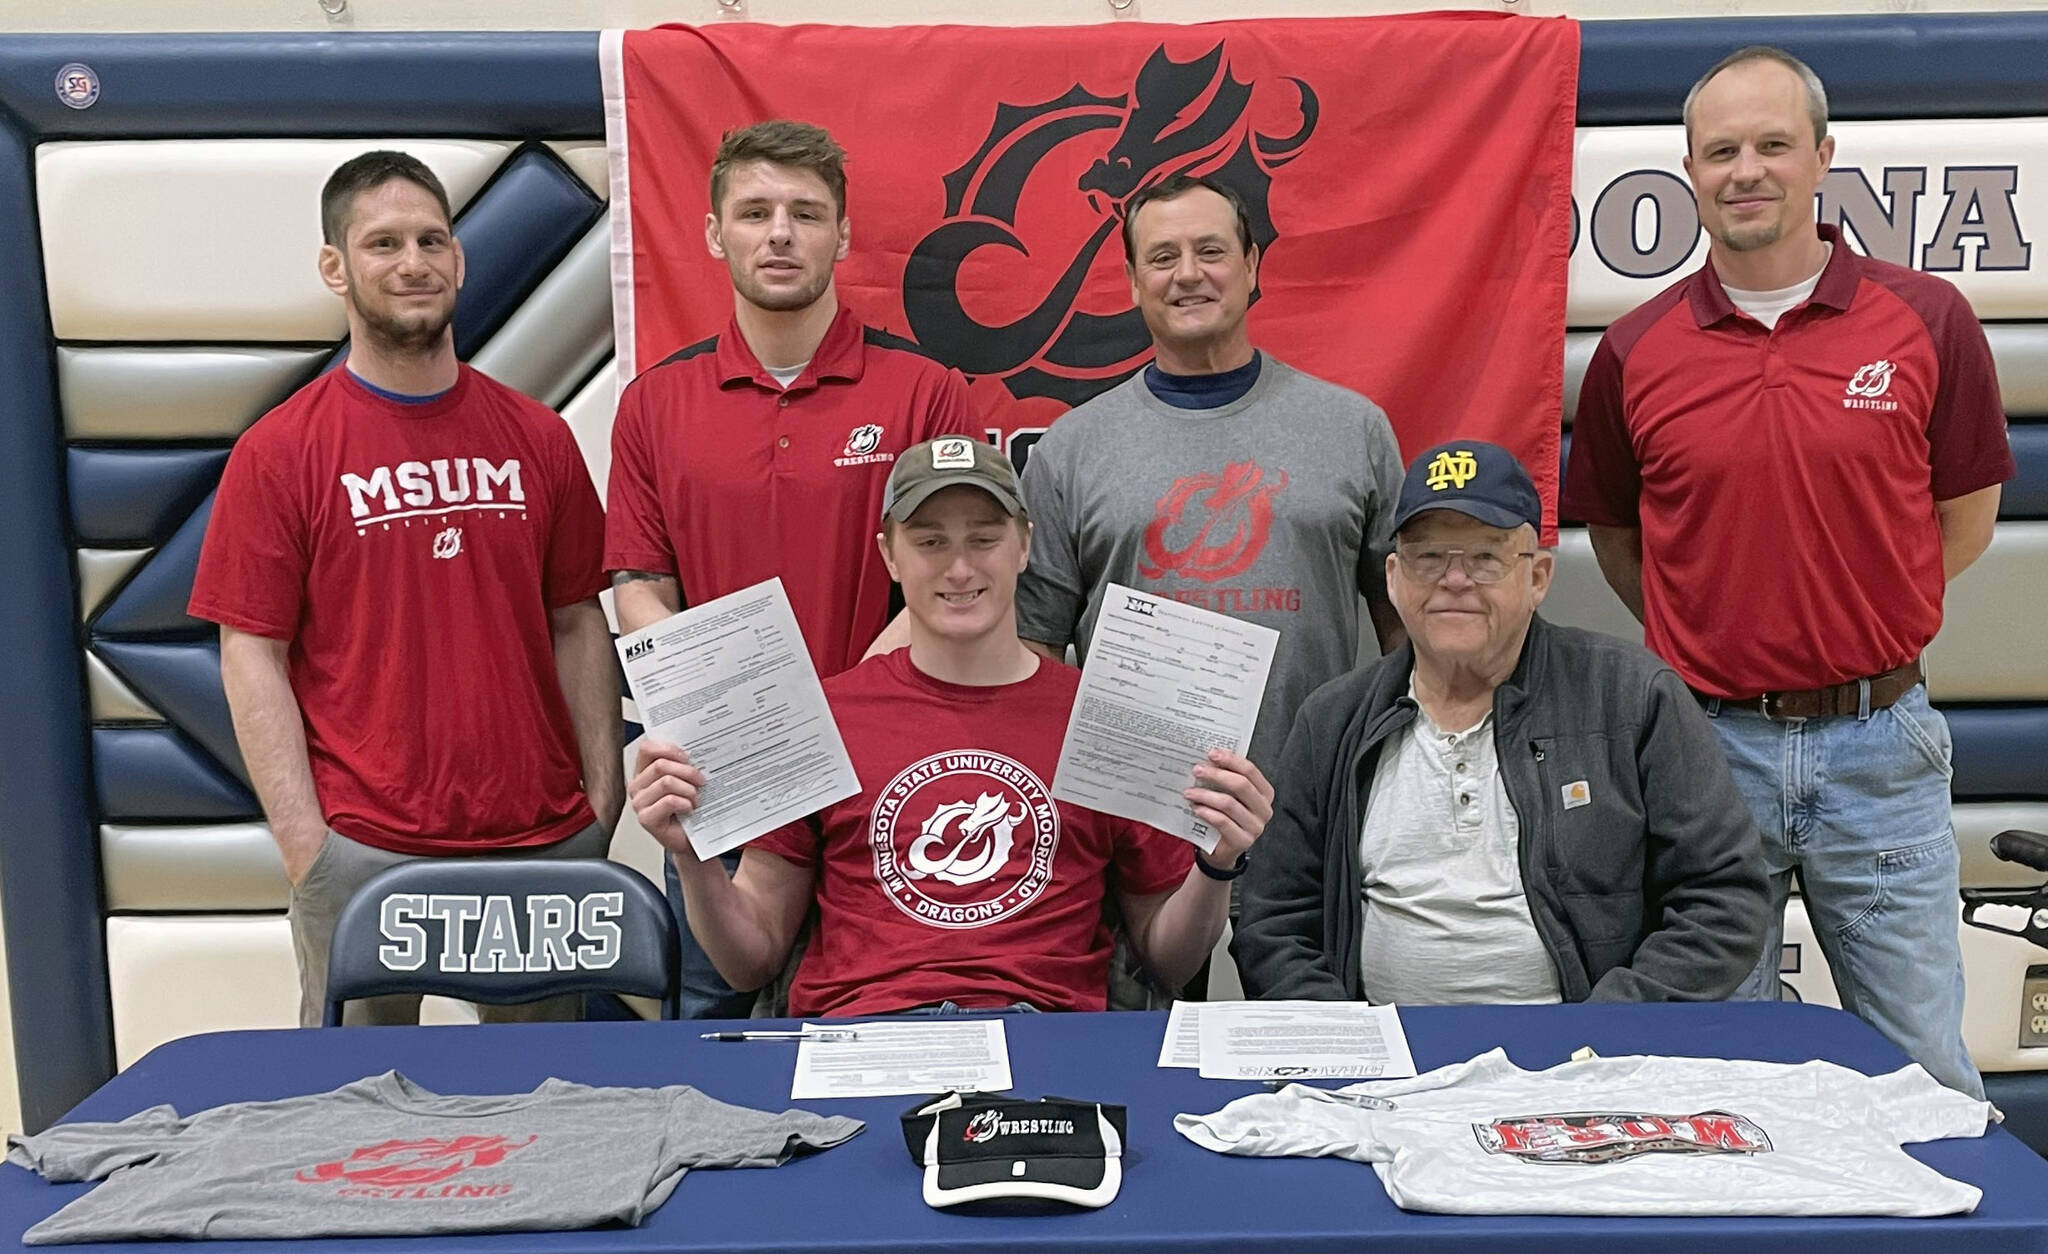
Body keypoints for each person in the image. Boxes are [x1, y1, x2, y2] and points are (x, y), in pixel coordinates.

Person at [1562, 46, 2013, 1095]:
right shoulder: (1633, 348)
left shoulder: (1926, 320)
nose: (1745, 169)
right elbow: (1623, 544)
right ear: (1687, 170)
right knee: (1715, 1076)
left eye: (1771, 144)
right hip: (1702, 749)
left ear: (1821, 156)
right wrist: (1723, 639)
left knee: (1924, 1075)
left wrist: (1856, 619)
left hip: (1881, 744)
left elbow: (1965, 518)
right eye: (1720, 151)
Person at [190, 150, 621, 1026]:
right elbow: (252, 654)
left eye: (432, 239)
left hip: (541, 843)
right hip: (363, 850)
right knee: (353, 1126)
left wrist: (600, 804)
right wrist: (306, 847)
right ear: (335, 268)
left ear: (459, 260)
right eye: (382, 242)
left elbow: (578, 621)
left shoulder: (537, 437)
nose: (414, 261)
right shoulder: (281, 452)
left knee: (549, 1114)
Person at [627, 439, 1273, 1016]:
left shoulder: (1108, 717)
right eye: (931, 541)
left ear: (1025, 544)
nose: (959, 569)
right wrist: (693, 856)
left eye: (984, 539)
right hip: (861, 1046)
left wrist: (1217, 864)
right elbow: (753, 959)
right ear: (889, 555)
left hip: (1046, 1045)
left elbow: (1168, 961)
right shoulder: (823, 714)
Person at [605, 120, 983, 1017]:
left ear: (842, 237)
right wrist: (742, 723)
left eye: (807, 213)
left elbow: (947, 583)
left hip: (882, 778)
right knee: (714, 1038)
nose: (781, 233)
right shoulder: (654, 402)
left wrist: (826, 724)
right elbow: (637, 587)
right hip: (720, 786)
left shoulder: (926, 391)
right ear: (712, 233)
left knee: (889, 1030)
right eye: (756, 211)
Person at [1235, 441, 1767, 1004]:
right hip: (1380, 1069)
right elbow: (1274, 922)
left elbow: (1723, 900)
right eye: (1428, 557)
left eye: (1485, 557)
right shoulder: (1333, 718)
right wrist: (1343, 1043)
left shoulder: (1633, 696)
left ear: (1537, 577)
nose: (1454, 580)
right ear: (1393, 577)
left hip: (1580, 1065)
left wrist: (1605, 1028)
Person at [1016, 173, 1406, 776]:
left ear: (1250, 265)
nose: (1189, 274)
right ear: (1132, 281)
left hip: (1313, 806)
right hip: (1136, 825)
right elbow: (1034, 651)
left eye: (1212, 251)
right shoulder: (1069, 450)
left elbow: (1403, 628)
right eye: (1163, 257)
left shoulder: (1353, 430)